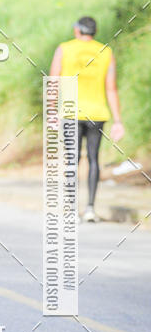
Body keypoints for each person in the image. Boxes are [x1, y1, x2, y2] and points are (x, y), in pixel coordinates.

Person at [50, 16, 124, 222]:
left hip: (70, 112)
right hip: (97, 113)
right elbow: (111, 88)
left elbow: (54, 80)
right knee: (93, 159)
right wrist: (118, 120)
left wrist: (52, 111)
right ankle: (90, 208)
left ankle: (72, 210)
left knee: (72, 159)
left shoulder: (64, 49)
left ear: (77, 30)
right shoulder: (106, 52)